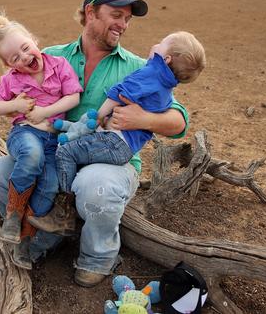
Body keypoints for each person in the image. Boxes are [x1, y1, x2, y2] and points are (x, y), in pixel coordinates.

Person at [0, 0, 190, 287]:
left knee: (96, 186)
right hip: (57, 150)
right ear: (90, 12)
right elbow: (12, 100)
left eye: (128, 19)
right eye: (116, 14)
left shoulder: (138, 67)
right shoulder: (50, 57)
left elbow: (179, 121)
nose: (123, 24)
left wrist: (142, 117)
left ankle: (97, 256)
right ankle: (43, 236)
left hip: (109, 161)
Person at [29, 31, 206, 235]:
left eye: (161, 43)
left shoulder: (149, 72)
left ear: (165, 59)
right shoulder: (165, 83)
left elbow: (121, 92)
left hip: (114, 141)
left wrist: (100, 117)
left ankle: (64, 212)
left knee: (65, 152)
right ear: (91, 12)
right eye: (116, 14)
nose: (155, 44)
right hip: (122, 144)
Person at [0, 12, 83, 270]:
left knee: (50, 184)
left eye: (26, 48)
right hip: (25, 134)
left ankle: (24, 239)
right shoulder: (12, 80)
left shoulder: (59, 65)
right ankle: (13, 215)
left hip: (53, 140)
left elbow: (73, 98)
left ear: (34, 41)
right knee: (31, 155)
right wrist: (16, 104)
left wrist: (43, 113)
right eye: (15, 58)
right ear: (9, 65)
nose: (25, 57)